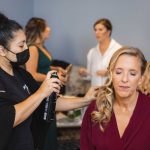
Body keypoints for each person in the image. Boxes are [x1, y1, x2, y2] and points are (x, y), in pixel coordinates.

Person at [0, 12, 98, 150]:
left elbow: (50, 101)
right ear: (2, 50)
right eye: (21, 46)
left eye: (26, 44)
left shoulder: (21, 75)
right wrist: (41, 92)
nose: (27, 49)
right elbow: (9, 119)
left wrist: (86, 100)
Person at [80, 46, 150, 150]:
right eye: (118, 72)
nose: (124, 79)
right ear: (111, 74)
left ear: (140, 79)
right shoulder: (95, 110)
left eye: (132, 74)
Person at [25, 17, 71, 150]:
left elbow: (43, 66)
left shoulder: (42, 47)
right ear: (40, 30)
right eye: (46, 27)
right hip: (41, 92)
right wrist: (53, 77)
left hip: (50, 92)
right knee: (45, 129)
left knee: (51, 125)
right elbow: (32, 74)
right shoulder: (33, 49)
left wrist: (56, 69)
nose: (49, 29)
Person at [79, 18, 122, 86]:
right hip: (96, 93)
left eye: (100, 30)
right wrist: (84, 73)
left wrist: (109, 73)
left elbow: (123, 74)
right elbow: (90, 76)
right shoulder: (92, 52)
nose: (97, 32)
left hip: (112, 92)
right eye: (95, 30)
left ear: (108, 32)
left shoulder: (118, 50)